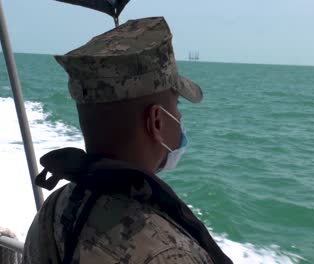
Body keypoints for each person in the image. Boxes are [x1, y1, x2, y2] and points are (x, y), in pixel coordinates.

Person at [22, 17, 232, 264]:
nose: (180, 116)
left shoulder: (54, 209)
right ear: (157, 121)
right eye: (176, 104)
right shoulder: (170, 254)